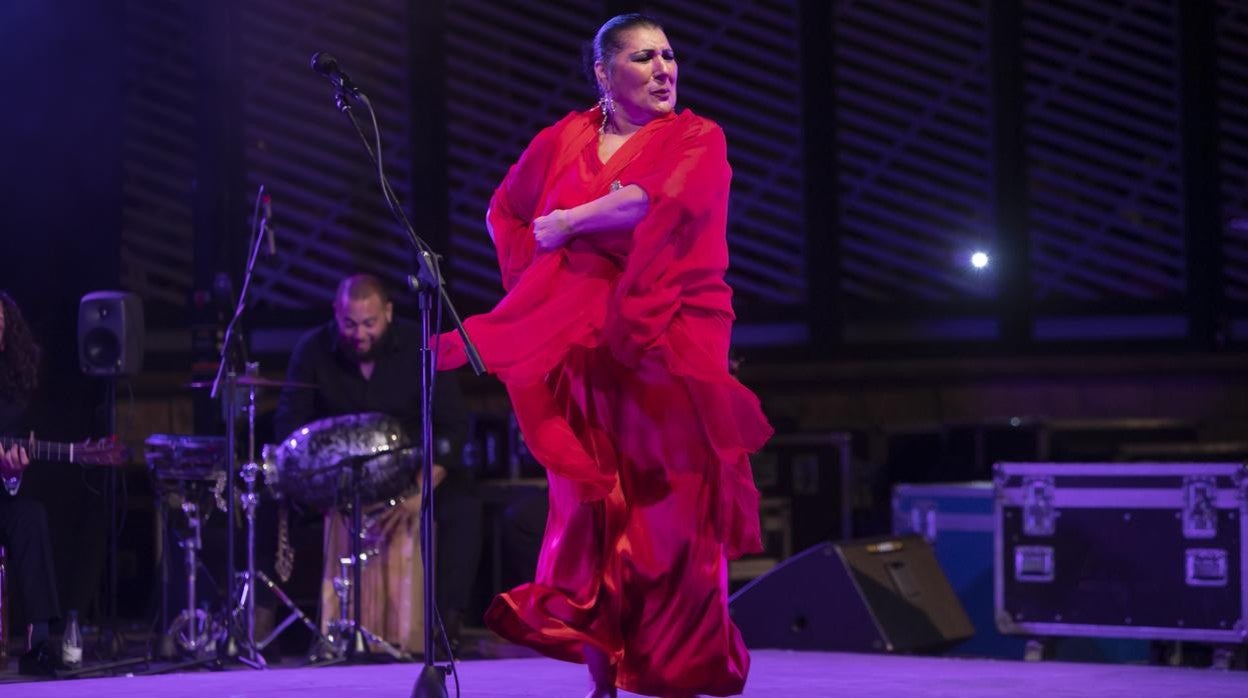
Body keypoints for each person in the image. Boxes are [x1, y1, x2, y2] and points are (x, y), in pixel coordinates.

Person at [435, 14, 774, 698]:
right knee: (593, 517)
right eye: (644, 57)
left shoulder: (698, 138)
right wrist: (544, 289)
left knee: (671, 523)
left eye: (670, 56)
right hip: (587, 357)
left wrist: (567, 224)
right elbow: (505, 210)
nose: (664, 69)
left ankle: (678, 675)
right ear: (604, 71)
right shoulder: (563, 139)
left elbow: (655, 203)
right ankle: (605, 682)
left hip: (667, 349)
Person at [274, 273, 478, 653]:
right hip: (336, 485)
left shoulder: (421, 345)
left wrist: (420, 492)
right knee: (281, 511)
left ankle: (446, 626)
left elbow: (452, 426)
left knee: (462, 507)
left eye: (369, 323)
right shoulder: (313, 350)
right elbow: (290, 426)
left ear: (387, 312)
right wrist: (318, 486)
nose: (360, 333)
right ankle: (306, 628)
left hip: (412, 476)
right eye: (349, 324)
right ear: (336, 314)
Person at [0, 291, 63, 676]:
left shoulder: (13, 395)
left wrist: (10, 474)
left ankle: (38, 640)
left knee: (31, 517)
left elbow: (10, 473)